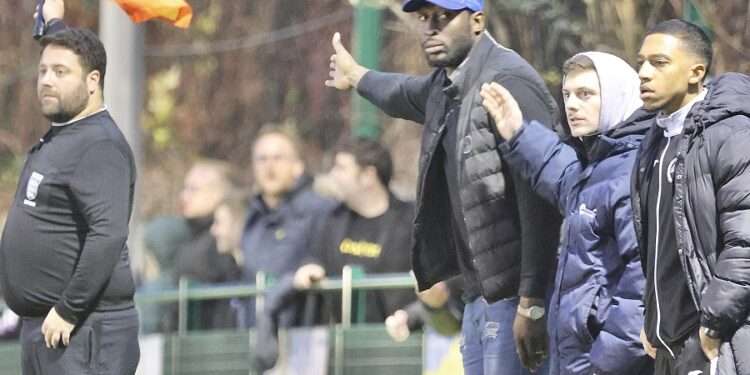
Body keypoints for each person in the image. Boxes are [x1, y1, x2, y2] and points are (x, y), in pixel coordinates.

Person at [325, 0, 561, 372]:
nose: (431, 28)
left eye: (445, 17)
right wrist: (357, 76)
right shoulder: (446, 84)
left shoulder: (509, 81)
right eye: (423, 18)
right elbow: (401, 92)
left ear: (478, 21)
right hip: (477, 295)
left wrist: (532, 299)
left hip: (516, 296)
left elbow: (541, 200)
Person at [480, 52, 653, 374]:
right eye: (567, 94)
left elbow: (640, 290)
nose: (572, 104)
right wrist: (519, 132)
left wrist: (606, 363)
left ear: (618, 96)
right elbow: (561, 173)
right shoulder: (598, 166)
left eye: (585, 94)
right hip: (577, 359)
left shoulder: (633, 173)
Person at [0, 1, 139, 373]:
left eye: (60, 72)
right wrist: (52, 20)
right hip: (50, 331)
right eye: (43, 71)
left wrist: (68, 308)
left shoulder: (100, 146)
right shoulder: (70, 129)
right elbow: (68, 48)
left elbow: (107, 234)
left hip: (83, 332)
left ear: (93, 81)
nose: (46, 79)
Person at [630, 19, 750, 374]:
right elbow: (658, 245)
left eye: (659, 62)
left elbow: (744, 243)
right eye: (641, 62)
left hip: (715, 345)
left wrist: (711, 329)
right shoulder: (654, 141)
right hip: (667, 347)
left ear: (696, 72)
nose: (643, 73)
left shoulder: (730, 135)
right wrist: (653, 318)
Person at [294, 139, 414, 324]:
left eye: (341, 168)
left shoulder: (409, 222)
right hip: (342, 342)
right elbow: (314, 256)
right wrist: (310, 266)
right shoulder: (331, 220)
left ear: (368, 175)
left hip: (397, 340)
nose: (333, 174)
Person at [241, 126, 335, 327]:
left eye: (278, 158)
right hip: (258, 335)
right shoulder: (252, 218)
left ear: (298, 166)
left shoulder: (320, 211)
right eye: (262, 159)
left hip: (305, 338)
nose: (269, 166)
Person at [174, 159, 243, 330]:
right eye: (185, 188)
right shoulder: (189, 237)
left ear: (219, 193)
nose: (184, 196)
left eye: (193, 189)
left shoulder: (221, 242)